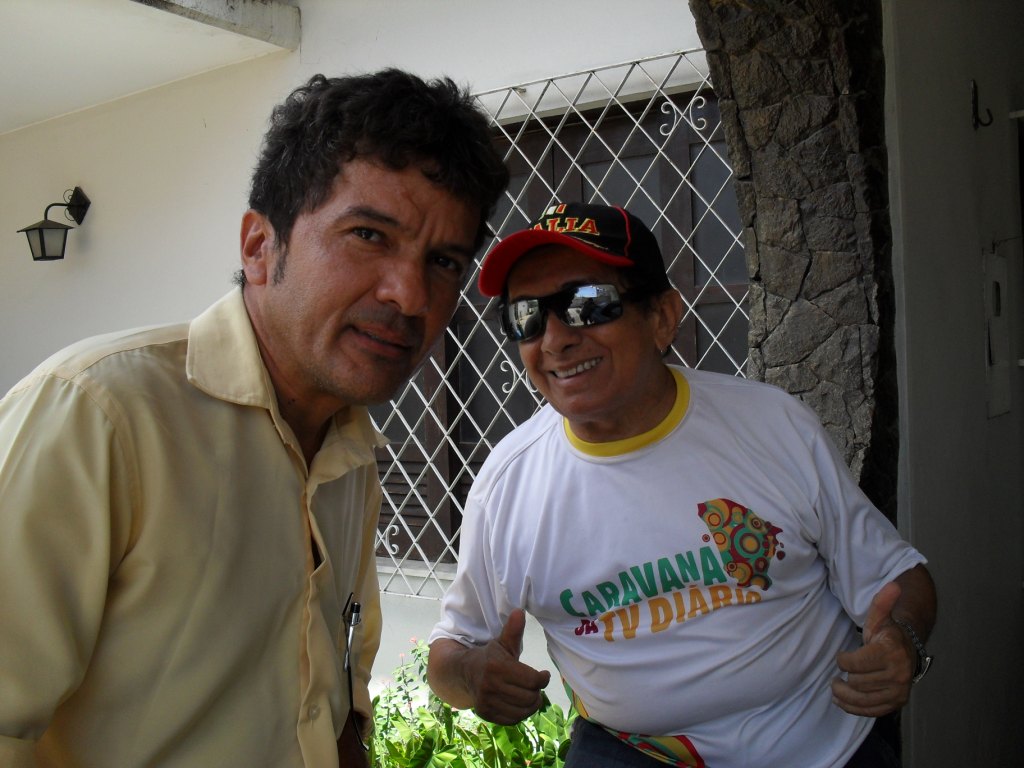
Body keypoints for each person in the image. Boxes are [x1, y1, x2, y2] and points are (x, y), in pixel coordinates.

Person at [0, 69, 507, 768]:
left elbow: (333, 703)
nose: (410, 295)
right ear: (259, 247)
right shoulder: (99, 414)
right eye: (368, 234)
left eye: (444, 261)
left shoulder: (349, 448)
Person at [427, 202, 937, 768]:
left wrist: (902, 641)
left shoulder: (772, 426)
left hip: (824, 746)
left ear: (663, 318)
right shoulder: (508, 484)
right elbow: (451, 650)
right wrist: (471, 675)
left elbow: (898, 578)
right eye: (526, 316)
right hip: (634, 751)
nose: (554, 340)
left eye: (588, 304)